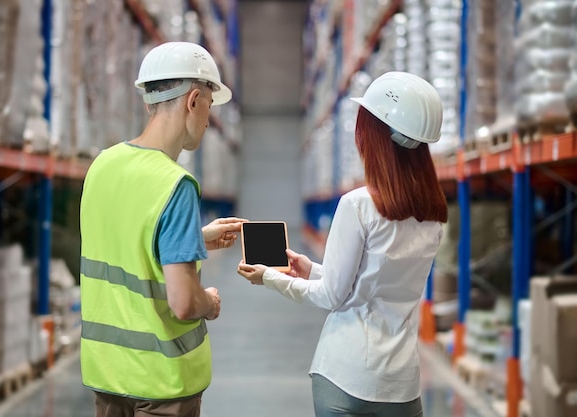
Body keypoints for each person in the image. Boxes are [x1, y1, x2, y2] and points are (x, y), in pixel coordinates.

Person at [238, 71, 448, 417]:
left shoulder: (358, 205)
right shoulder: (434, 215)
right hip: (402, 384)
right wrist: (314, 269)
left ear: (373, 135)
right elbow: (378, 282)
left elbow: (332, 296)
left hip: (346, 376)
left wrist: (269, 277)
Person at [79, 42, 246, 417]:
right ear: (192, 101)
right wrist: (211, 302)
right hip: (161, 383)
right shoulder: (176, 185)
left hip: (107, 374)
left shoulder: (103, 166)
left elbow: (124, 244)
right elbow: (184, 303)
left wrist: (192, 239)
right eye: (208, 108)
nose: (207, 120)